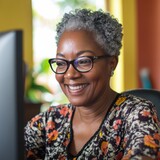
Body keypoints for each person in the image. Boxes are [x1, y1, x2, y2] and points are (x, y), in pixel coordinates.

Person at [24, 9, 160, 159]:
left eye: (83, 61)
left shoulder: (136, 114)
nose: (70, 74)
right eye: (61, 63)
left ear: (111, 64)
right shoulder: (49, 121)